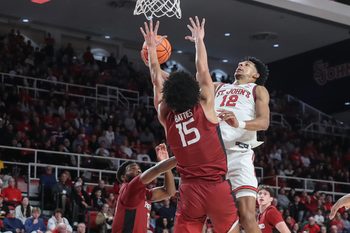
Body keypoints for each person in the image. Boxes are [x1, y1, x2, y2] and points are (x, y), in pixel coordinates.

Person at [140, 17, 238, 232]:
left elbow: (156, 79)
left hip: (189, 190)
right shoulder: (205, 106)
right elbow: (202, 69)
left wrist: (152, 54)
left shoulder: (165, 116)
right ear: (195, 92)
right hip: (216, 187)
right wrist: (198, 41)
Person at [214, 48, 270, 232]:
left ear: (255, 74)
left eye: (247, 65)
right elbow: (183, 85)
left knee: (246, 216)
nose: (241, 65)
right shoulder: (217, 87)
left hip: (239, 155)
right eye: (240, 64)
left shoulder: (258, 89)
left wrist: (239, 123)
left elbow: (263, 122)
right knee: (219, 217)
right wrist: (154, 62)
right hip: (212, 155)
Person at [111, 143, 176, 233]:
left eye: (139, 169)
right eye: (133, 168)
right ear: (123, 177)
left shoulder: (145, 193)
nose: (138, 170)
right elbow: (157, 169)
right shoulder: (129, 188)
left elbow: (169, 192)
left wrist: (166, 166)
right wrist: (181, 156)